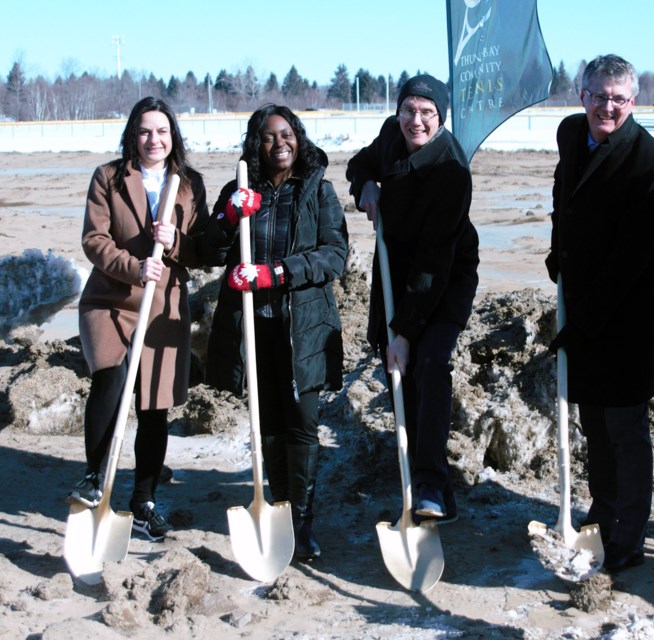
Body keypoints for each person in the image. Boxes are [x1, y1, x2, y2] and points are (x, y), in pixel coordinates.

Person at [544, 54, 654, 573]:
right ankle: (601, 514)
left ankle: (629, 533)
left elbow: (630, 259)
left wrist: (583, 325)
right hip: (581, 306)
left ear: (634, 102)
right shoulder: (571, 135)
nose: (608, 107)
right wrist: (559, 252)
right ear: (582, 95)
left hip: (625, 318)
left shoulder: (653, 165)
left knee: (624, 426)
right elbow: (565, 202)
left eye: (619, 99)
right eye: (599, 95)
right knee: (593, 423)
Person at [204, 104, 348, 561]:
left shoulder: (318, 192)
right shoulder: (239, 190)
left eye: (287, 134)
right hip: (253, 327)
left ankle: (302, 521)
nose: (279, 143)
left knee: (302, 423)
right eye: (268, 137)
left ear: (298, 138)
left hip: (301, 326)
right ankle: (280, 510)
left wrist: (277, 273)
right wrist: (229, 215)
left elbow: (335, 255)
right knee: (266, 425)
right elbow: (211, 248)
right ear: (256, 144)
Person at [69, 96, 209, 541]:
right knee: (110, 377)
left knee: (154, 404)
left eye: (163, 131)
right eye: (146, 131)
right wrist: (134, 266)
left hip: (163, 306)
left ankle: (144, 500)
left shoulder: (189, 184)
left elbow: (202, 251)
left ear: (174, 136)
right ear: (133, 134)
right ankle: (96, 475)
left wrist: (175, 243)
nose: (154, 139)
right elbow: (94, 240)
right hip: (110, 299)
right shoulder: (109, 177)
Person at [346, 74, 478, 525]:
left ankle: (427, 483)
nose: (415, 121)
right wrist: (364, 183)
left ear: (440, 118)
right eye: (409, 110)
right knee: (398, 371)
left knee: (429, 361)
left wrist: (404, 331)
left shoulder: (452, 171)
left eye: (427, 113)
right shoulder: (390, 134)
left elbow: (433, 264)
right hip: (394, 267)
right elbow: (360, 162)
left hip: (443, 273)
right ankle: (434, 486)